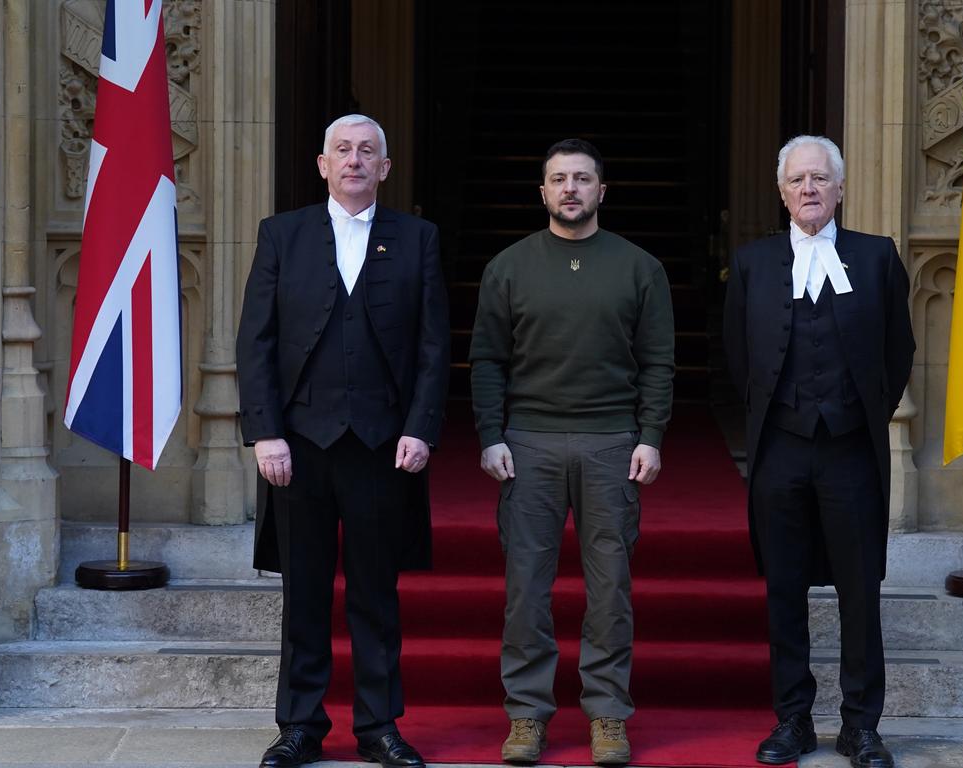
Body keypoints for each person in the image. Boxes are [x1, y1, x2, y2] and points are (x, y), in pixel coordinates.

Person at [236, 114, 450, 768]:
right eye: (343, 151)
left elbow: (435, 348)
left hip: (383, 447)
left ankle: (379, 726)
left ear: (385, 168)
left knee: (374, 592)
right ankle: (300, 726)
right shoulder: (283, 235)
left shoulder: (418, 239)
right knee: (303, 593)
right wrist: (265, 432)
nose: (355, 160)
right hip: (296, 449)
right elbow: (256, 343)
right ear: (323, 165)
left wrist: (420, 426)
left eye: (368, 152)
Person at [469, 138, 675, 765]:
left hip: (612, 442)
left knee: (609, 587)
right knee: (526, 588)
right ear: (543, 192)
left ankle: (608, 715)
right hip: (528, 443)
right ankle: (527, 715)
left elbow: (658, 362)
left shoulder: (640, 267)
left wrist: (651, 436)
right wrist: (490, 435)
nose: (570, 189)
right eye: (559, 179)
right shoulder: (509, 266)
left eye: (582, 179)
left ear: (601, 191)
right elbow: (487, 359)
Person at [723, 135, 914, 768]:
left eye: (820, 179)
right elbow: (736, 356)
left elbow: (899, 350)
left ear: (840, 189)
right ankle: (793, 719)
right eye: (798, 180)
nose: (809, 189)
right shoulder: (752, 263)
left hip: (851, 452)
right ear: (781, 192)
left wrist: (864, 416)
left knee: (860, 590)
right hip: (780, 450)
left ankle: (861, 725)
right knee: (784, 588)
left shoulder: (877, 257)